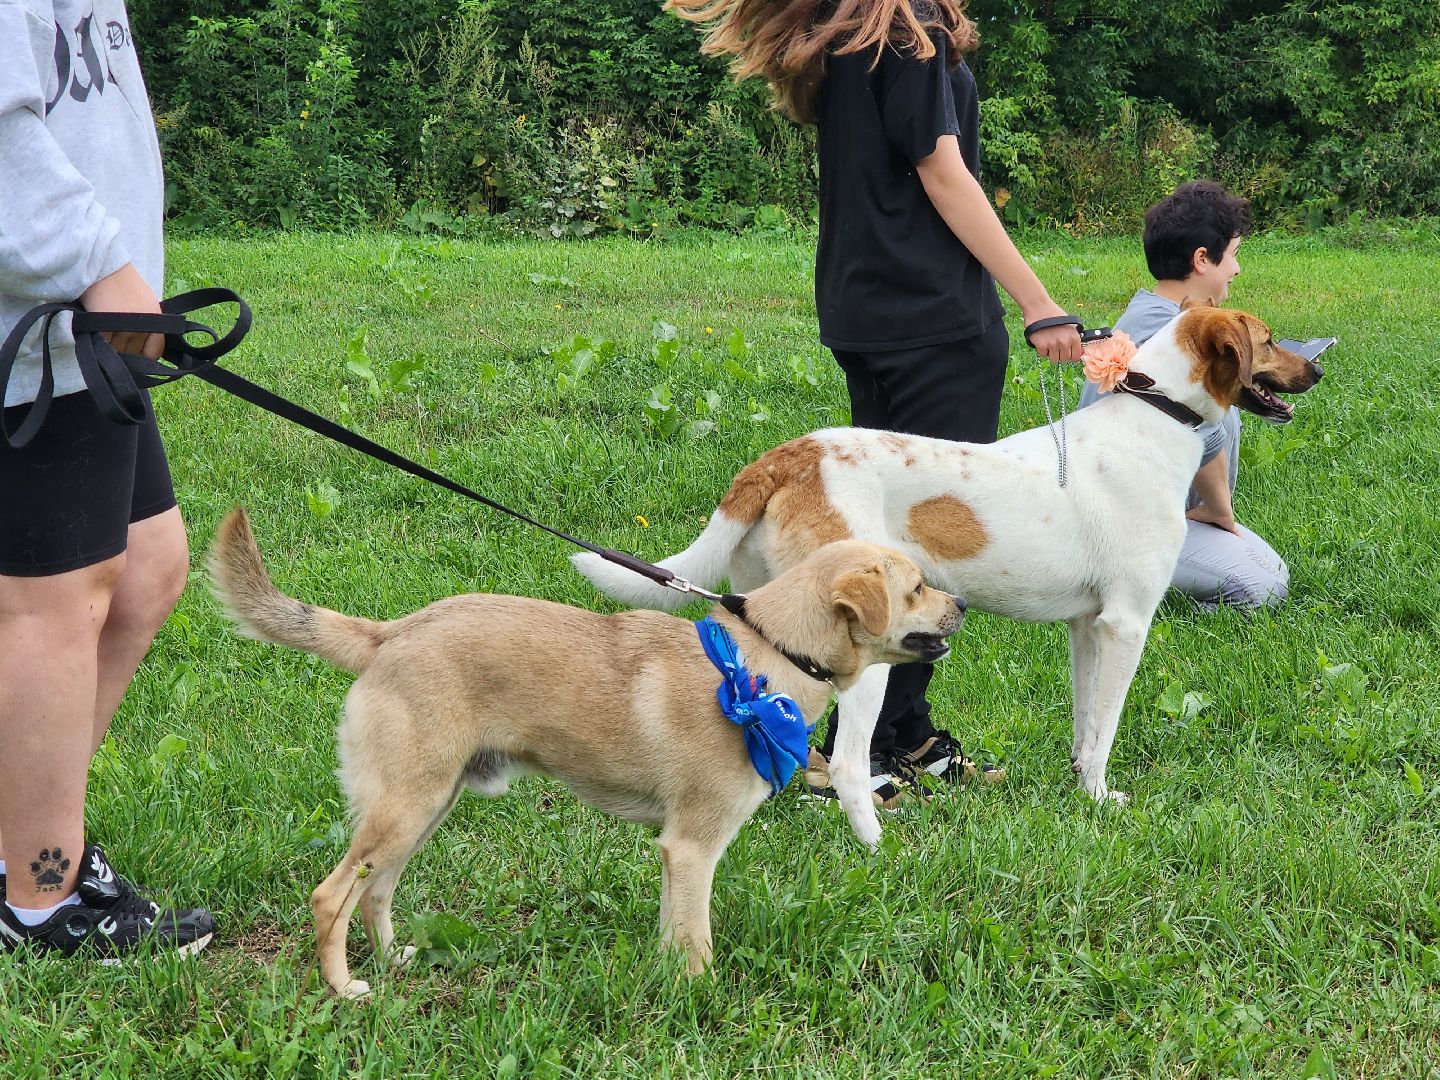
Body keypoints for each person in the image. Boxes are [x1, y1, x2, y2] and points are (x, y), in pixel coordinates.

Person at [667, 0, 1084, 806]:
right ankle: (849, 753)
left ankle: (902, 735)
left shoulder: (844, 34)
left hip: (865, 311)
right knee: (919, 554)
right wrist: (1039, 303)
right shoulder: (907, 32)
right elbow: (943, 173)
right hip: (936, 317)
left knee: (892, 540)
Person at [0, 0, 215, 956]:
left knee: (144, 565)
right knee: (56, 602)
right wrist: (96, 264)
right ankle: (35, 901)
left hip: (77, 329)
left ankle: (14, 842)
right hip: (37, 330)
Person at [1079, 179, 1289, 611]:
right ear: (1201, 260)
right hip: (1123, 527)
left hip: (1161, 514)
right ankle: (1134, 591)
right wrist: (1220, 512)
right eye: (1233, 256)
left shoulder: (1165, 318)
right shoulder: (1168, 334)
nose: (1236, 269)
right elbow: (1202, 432)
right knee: (1263, 586)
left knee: (1271, 569)